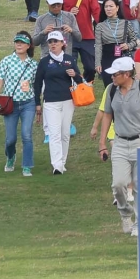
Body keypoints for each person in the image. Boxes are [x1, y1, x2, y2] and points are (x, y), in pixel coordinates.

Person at [95, 58, 140, 235]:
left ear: (127, 74)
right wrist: (102, 143)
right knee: (118, 184)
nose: (112, 77)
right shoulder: (111, 90)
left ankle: (139, 224)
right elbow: (107, 116)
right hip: (120, 142)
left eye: (116, 74)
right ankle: (125, 214)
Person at [0, 31, 38, 176]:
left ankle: (27, 165)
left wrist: (38, 104)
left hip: (28, 103)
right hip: (10, 105)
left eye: (22, 42)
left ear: (28, 46)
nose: (19, 44)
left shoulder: (33, 64)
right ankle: (10, 156)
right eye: (17, 41)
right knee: (10, 138)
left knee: (26, 135)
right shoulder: (6, 61)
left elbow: (37, 85)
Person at [33, 31, 80, 175]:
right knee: (54, 134)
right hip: (51, 102)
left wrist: (75, 75)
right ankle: (57, 165)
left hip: (67, 101)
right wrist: (38, 103)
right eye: (50, 42)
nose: (53, 44)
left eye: (56, 41)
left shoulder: (70, 59)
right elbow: (37, 84)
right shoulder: (44, 62)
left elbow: (79, 80)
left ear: (62, 43)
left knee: (65, 133)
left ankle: (63, 162)